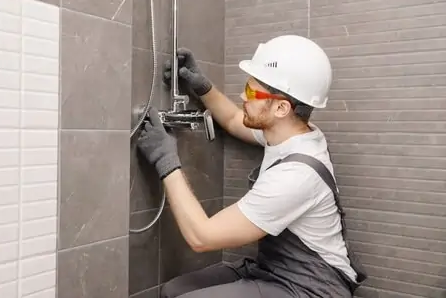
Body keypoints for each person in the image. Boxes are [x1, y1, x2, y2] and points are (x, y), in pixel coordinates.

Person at [136, 35, 367, 297]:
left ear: (281, 107)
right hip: (275, 270)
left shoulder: (296, 176)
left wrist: (164, 158)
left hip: (313, 287)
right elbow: (236, 120)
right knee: (172, 291)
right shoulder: (293, 133)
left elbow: (202, 237)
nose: (242, 97)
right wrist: (202, 87)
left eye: (250, 92)